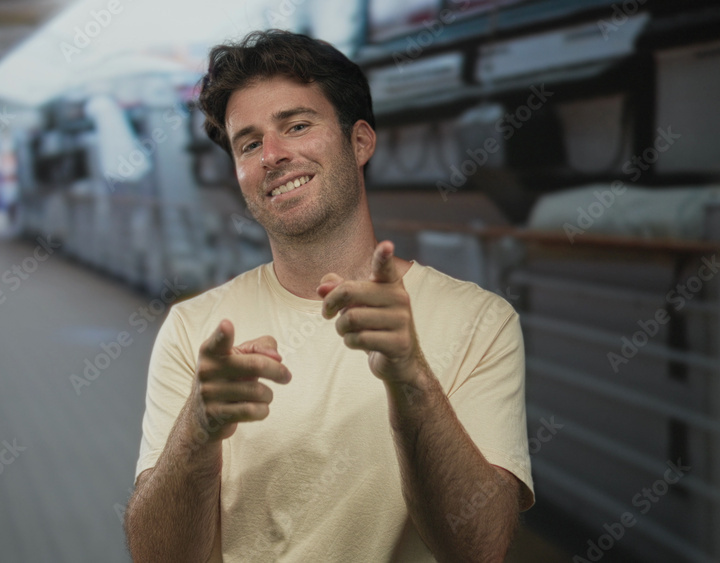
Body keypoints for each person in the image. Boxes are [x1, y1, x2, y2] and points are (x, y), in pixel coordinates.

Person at [124, 30, 534, 562]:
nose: (272, 155)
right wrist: (196, 434)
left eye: (296, 125)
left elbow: (478, 549)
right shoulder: (193, 330)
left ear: (360, 142)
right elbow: (157, 557)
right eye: (248, 143)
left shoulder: (479, 320)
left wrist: (410, 379)